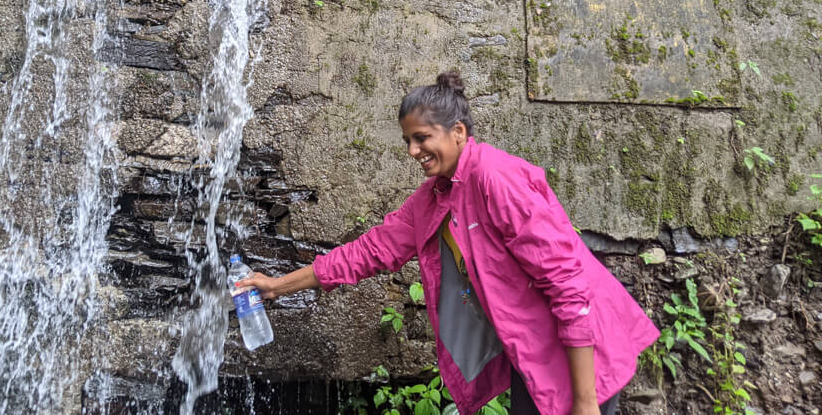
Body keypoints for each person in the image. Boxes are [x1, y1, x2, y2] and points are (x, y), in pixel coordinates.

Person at [238, 71, 659, 415]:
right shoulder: (436, 196)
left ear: (457, 131)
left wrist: (586, 403)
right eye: (408, 141)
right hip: (531, 353)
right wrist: (277, 286)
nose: (413, 150)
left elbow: (568, 284)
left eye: (422, 138)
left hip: (580, 355)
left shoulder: (497, 179)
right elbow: (369, 252)